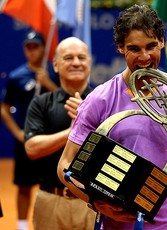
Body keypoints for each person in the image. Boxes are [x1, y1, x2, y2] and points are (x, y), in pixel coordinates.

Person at [57, 4, 167, 230]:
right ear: (121, 48)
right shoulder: (99, 99)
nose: (145, 57)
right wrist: (94, 202)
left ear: (162, 41)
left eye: (151, 46)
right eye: (134, 49)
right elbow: (65, 164)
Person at [24, 37, 95, 230]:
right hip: (50, 200)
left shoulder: (103, 102)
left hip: (93, 202)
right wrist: (73, 132)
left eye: (81, 57)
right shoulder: (41, 103)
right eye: (68, 57)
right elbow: (31, 148)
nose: (76, 62)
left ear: (89, 63)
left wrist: (88, 120)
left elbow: (119, 147)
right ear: (55, 65)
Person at [0, 30, 59, 230]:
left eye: (36, 47)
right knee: (24, 186)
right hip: (26, 139)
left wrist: (48, 84)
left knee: (50, 186)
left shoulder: (56, 72)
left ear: (44, 48)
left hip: (51, 139)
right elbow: (4, 109)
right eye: (28, 47)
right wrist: (17, 133)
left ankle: (48, 225)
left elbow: (66, 99)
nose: (32, 51)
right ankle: (23, 226)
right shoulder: (16, 76)